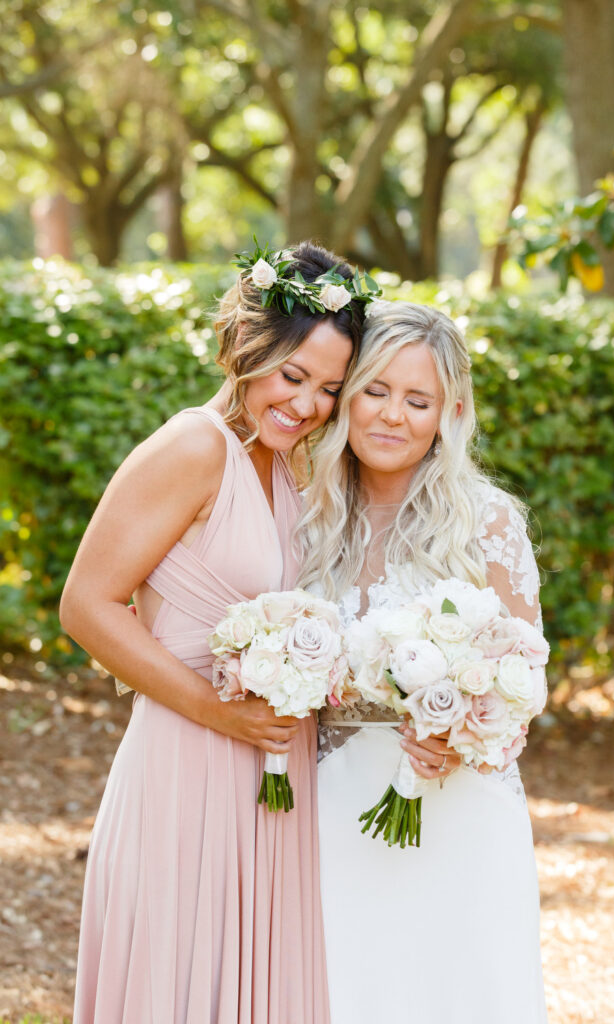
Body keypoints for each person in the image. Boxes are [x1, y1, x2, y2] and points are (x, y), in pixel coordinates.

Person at [59, 240, 369, 1024]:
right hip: (190, 760)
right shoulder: (194, 447)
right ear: (245, 349)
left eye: (329, 389)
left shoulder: (287, 467)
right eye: (292, 376)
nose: (306, 405)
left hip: (273, 771)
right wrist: (218, 712)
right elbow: (87, 604)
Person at [298, 300, 548, 1023]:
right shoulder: (307, 513)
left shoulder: (486, 520)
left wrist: (458, 735)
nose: (391, 415)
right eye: (374, 390)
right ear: (346, 396)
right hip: (330, 807)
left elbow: (524, 673)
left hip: (457, 805)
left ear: (450, 411)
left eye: (417, 400)